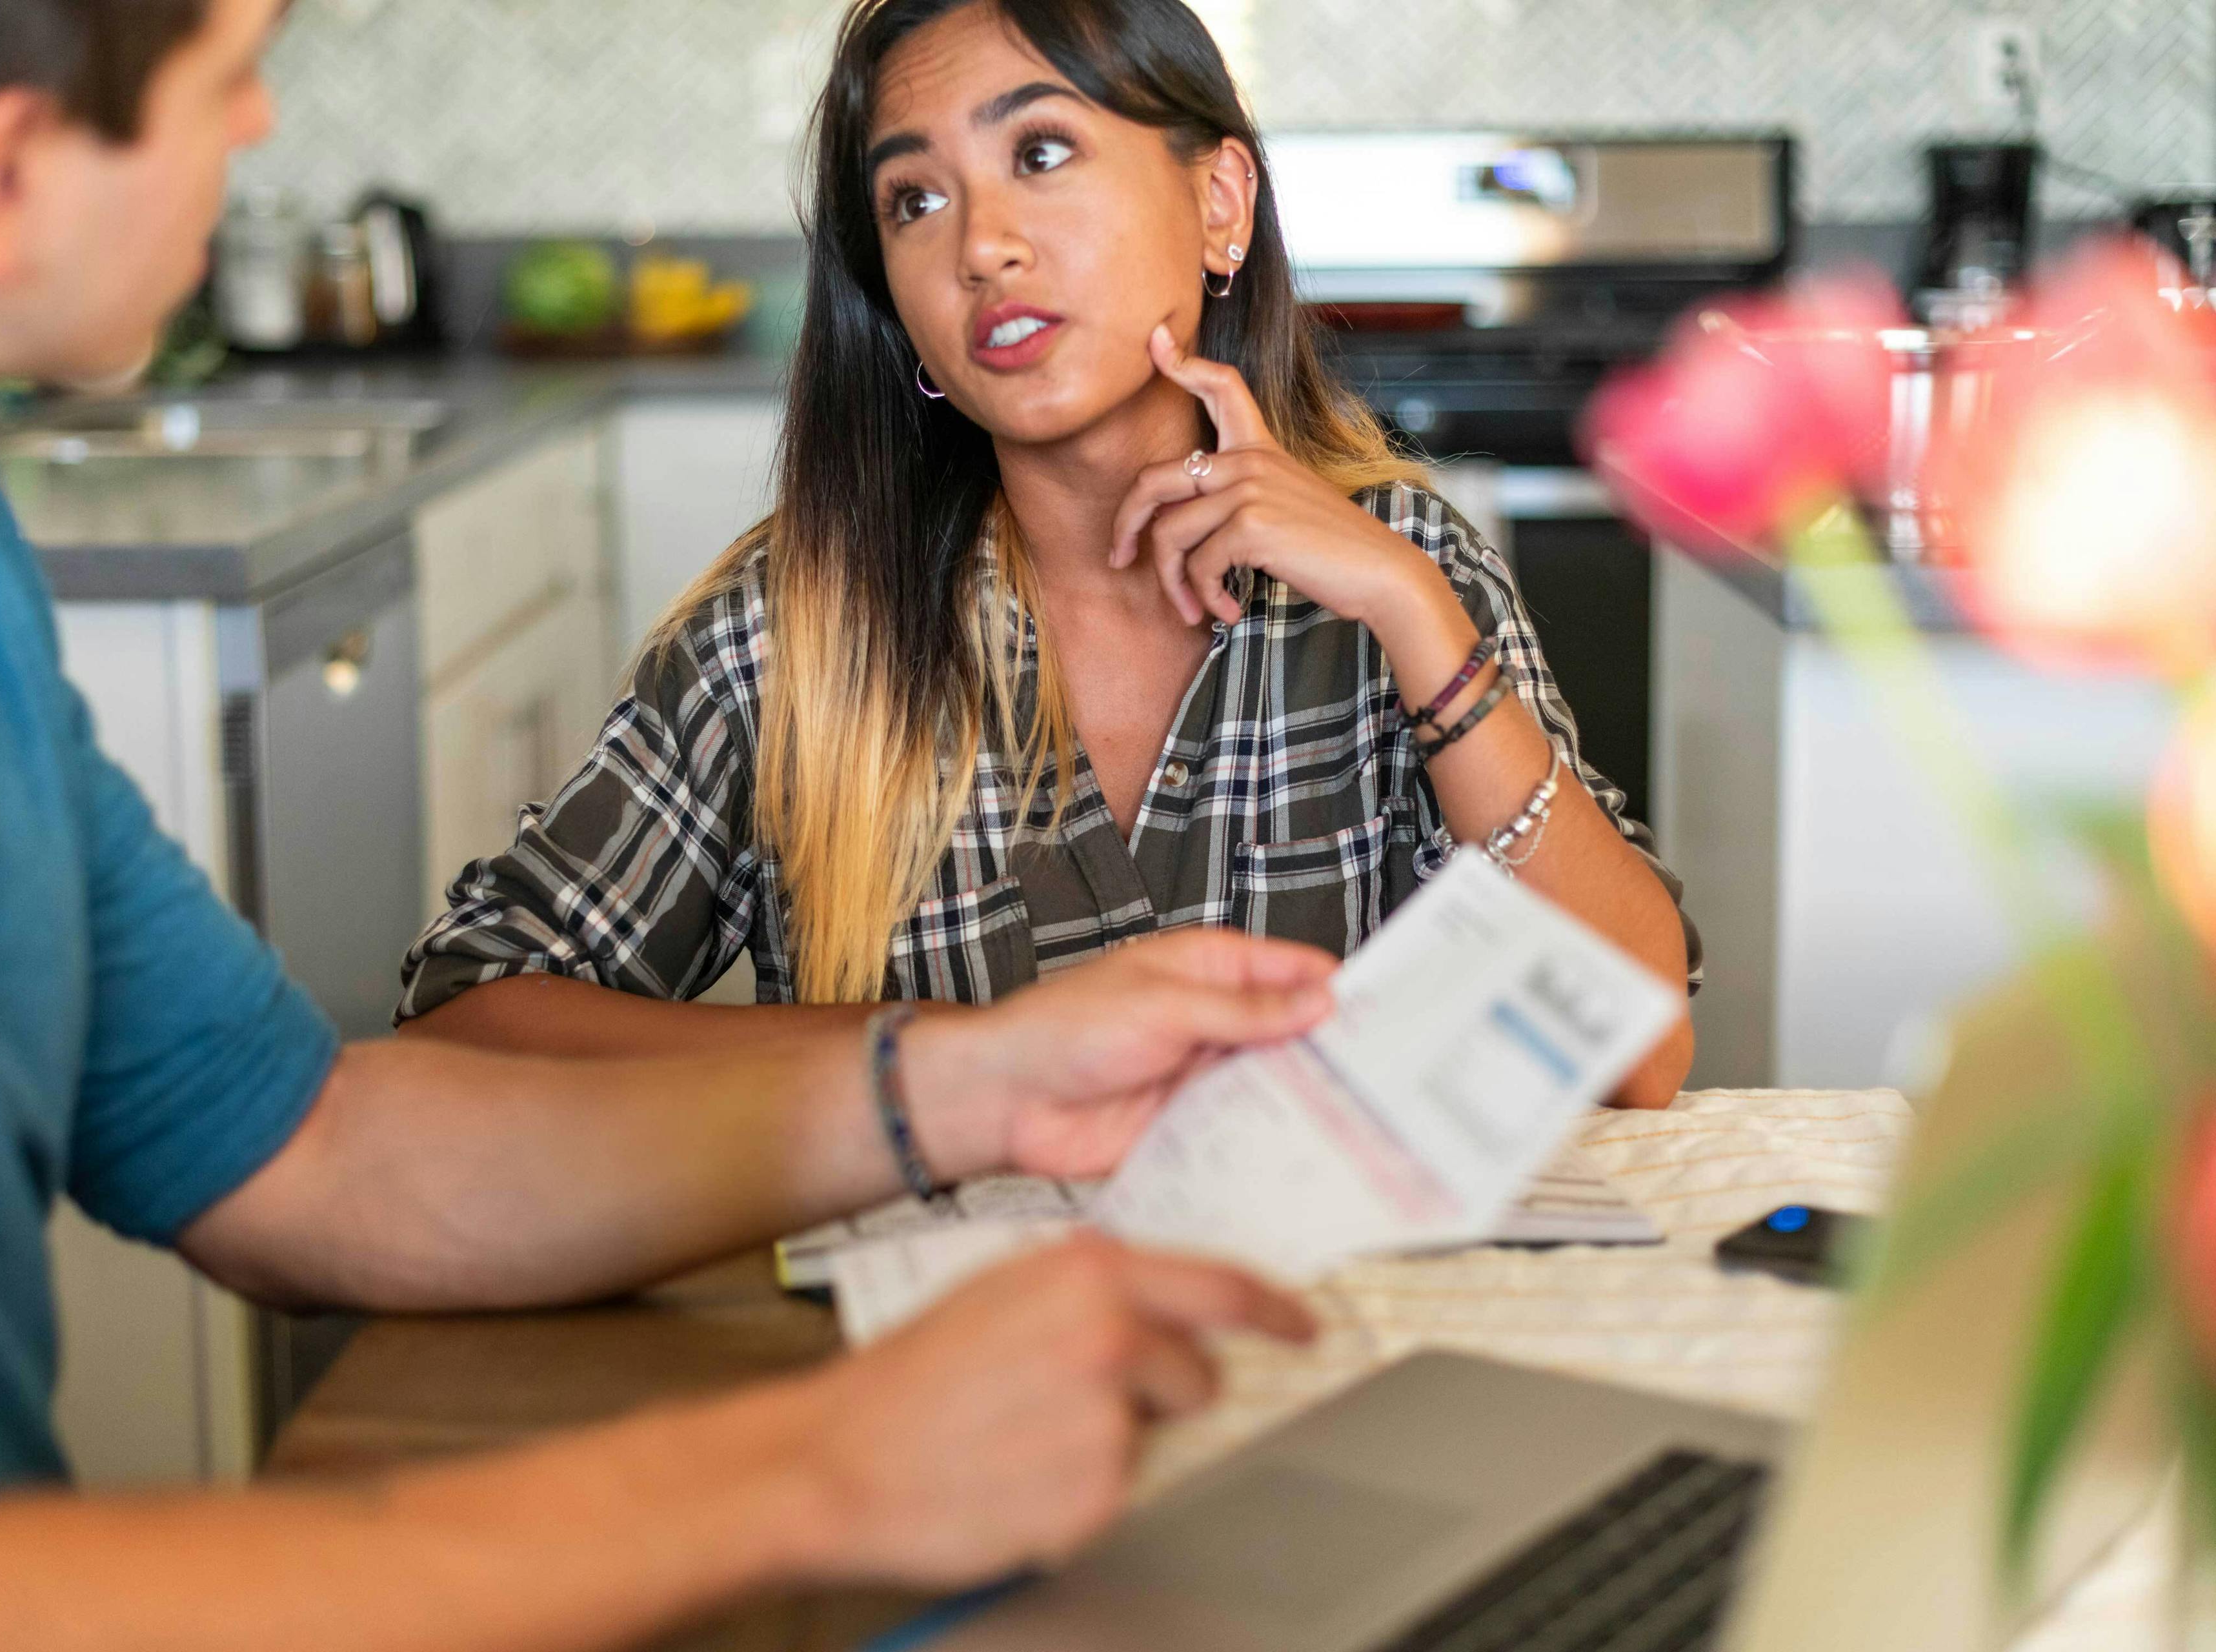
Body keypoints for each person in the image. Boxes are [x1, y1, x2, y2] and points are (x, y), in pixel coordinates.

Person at [0, 3, 1346, 1647]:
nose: (259, 135)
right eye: (226, 83)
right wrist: (816, 1467)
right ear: (5, 176)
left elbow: (305, 1153)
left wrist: (959, 1084)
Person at [400, 0, 1701, 1109]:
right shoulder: (793, 631)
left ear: (1219, 203)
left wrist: (1418, 619)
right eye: (915, 199)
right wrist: (947, 1066)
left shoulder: (1404, 566)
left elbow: (1641, 1050)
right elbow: (467, 1016)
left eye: (1040, 151)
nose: (981, 245)